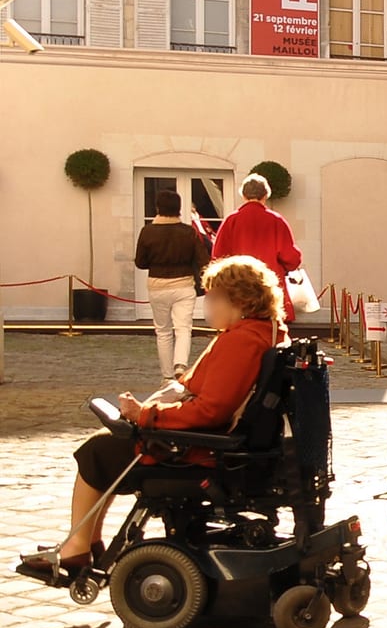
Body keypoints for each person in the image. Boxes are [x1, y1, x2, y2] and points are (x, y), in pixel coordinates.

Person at [15, 257, 286, 588]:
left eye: (213, 296)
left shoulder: (240, 341)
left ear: (241, 300)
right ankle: (85, 543)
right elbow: (201, 390)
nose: (206, 303)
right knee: (106, 442)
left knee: (98, 450)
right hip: (220, 442)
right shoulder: (259, 333)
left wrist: (145, 415)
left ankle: (78, 548)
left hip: (205, 451)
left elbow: (210, 411)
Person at [132, 198, 211, 382]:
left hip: (157, 285)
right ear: (178, 209)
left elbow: (140, 262)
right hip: (183, 285)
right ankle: (180, 364)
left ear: (158, 208)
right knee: (183, 328)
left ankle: (167, 376)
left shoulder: (147, 232)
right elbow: (202, 259)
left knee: (163, 331)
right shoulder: (188, 232)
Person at [209, 173, 306, 315]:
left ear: (243, 195)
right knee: (272, 331)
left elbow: (218, 257)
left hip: (238, 287)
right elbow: (291, 258)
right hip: (269, 287)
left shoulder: (232, 220)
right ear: (266, 195)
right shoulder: (276, 220)